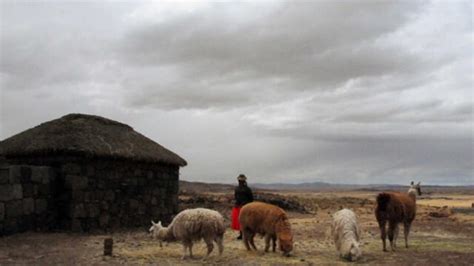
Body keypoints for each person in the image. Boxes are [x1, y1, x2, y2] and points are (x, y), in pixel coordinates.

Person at [231, 174, 254, 240]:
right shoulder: (246, 189)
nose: (240, 181)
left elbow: (250, 199)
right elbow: (251, 199)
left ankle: (244, 235)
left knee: (243, 221)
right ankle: (242, 234)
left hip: (243, 206)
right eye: (239, 180)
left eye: (240, 180)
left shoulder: (240, 189)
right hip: (241, 206)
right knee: (241, 221)